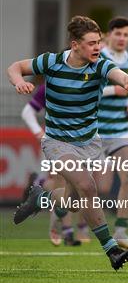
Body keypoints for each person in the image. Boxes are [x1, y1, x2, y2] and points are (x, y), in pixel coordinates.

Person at [8, 15, 128, 270]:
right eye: (92, 43)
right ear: (75, 45)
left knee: (73, 201)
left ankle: (41, 199)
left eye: (99, 42)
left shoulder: (100, 66)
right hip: (58, 141)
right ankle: (112, 249)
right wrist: (19, 82)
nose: (97, 47)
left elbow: (120, 77)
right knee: (87, 186)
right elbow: (14, 67)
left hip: (89, 142)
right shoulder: (51, 61)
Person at [21, 83, 88, 246]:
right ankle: (67, 231)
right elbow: (27, 112)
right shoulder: (49, 86)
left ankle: (40, 185)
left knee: (77, 187)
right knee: (61, 181)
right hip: (55, 141)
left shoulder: (87, 82)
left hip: (82, 140)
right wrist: (39, 133)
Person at [97, 17, 128, 250]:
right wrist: (112, 90)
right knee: (99, 189)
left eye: (126, 35)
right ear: (110, 34)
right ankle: (55, 203)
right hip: (94, 132)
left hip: (120, 130)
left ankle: (121, 231)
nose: (122, 38)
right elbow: (88, 88)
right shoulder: (98, 58)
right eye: (118, 34)